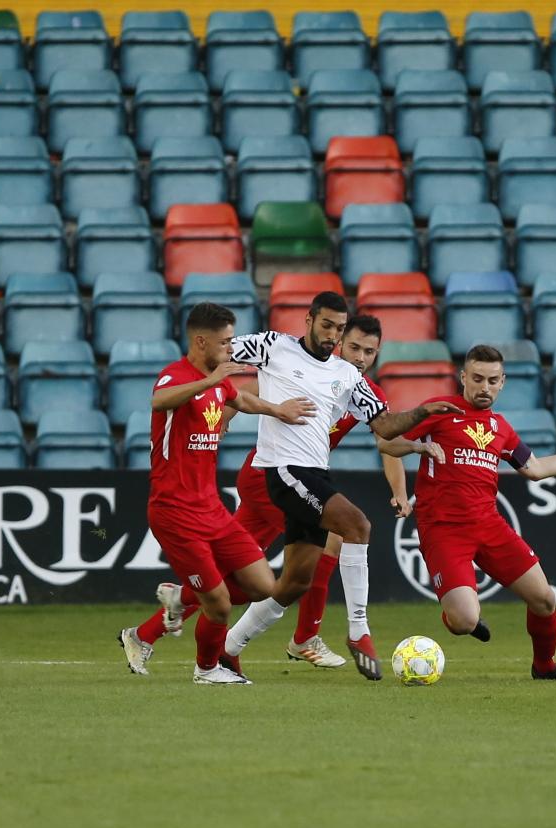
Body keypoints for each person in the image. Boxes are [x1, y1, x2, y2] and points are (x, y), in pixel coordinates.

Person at [164, 291, 456, 681]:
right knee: (357, 525)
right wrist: (212, 398)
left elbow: (385, 428)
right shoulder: (274, 346)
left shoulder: (347, 376)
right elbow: (219, 352)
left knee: (293, 583)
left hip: (315, 473)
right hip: (282, 469)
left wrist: (421, 413)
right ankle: (359, 631)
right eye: (327, 325)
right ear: (309, 320)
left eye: (338, 328)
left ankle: (229, 649)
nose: (332, 335)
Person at [377, 344, 556, 680]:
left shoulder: (500, 427)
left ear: (503, 382)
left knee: (545, 599)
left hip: (489, 526)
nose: (484, 387)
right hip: (444, 530)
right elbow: (387, 443)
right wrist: (418, 448)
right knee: (463, 622)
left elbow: (534, 468)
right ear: (463, 377)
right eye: (477, 378)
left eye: (492, 380)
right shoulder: (438, 411)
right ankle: (461, 616)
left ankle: (544, 666)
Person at [117, 302, 315, 686]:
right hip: (174, 510)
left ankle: (179, 599)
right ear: (201, 340)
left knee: (263, 586)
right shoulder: (175, 376)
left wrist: (279, 410)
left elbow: (241, 400)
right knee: (220, 605)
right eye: (225, 342)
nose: (231, 348)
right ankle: (207, 669)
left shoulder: (218, 380)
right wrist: (212, 381)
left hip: (211, 507)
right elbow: (159, 401)